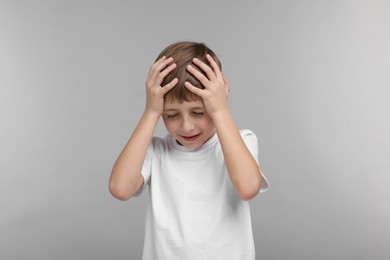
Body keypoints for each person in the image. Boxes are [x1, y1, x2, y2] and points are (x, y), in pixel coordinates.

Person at [109, 41, 270, 260]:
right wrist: (150, 112)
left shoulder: (241, 142)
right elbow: (120, 188)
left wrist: (221, 110)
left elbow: (248, 187)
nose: (186, 126)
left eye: (198, 112)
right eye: (172, 115)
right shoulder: (157, 152)